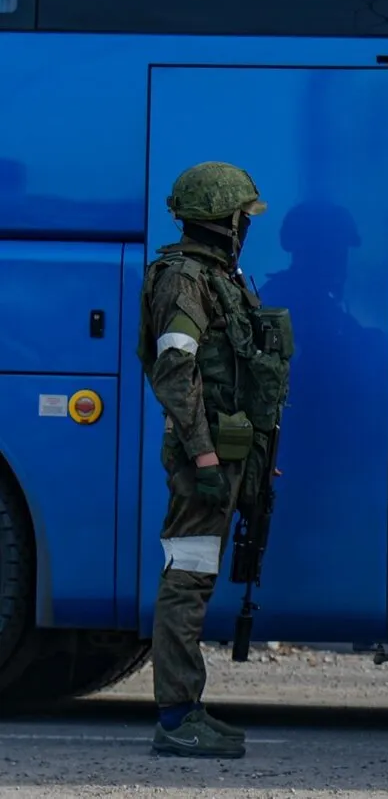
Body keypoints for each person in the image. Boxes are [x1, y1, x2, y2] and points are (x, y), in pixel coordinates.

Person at [135, 161, 293, 759]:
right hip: (203, 458)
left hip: (222, 454)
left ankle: (188, 707)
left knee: (194, 580)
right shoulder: (184, 281)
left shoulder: (216, 276)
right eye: (242, 217)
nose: (246, 227)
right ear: (227, 221)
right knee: (187, 580)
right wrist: (204, 458)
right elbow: (176, 374)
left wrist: (244, 457)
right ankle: (177, 718)